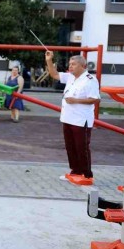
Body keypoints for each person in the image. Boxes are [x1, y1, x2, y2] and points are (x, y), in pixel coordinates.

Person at [45, 51, 100, 179]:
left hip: (81, 120)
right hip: (67, 117)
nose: (70, 66)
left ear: (83, 66)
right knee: (70, 146)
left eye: (73, 64)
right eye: (70, 64)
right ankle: (75, 171)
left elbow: (96, 99)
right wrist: (49, 60)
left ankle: (87, 175)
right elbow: (54, 74)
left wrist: (76, 101)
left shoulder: (90, 80)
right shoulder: (70, 77)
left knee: (82, 148)